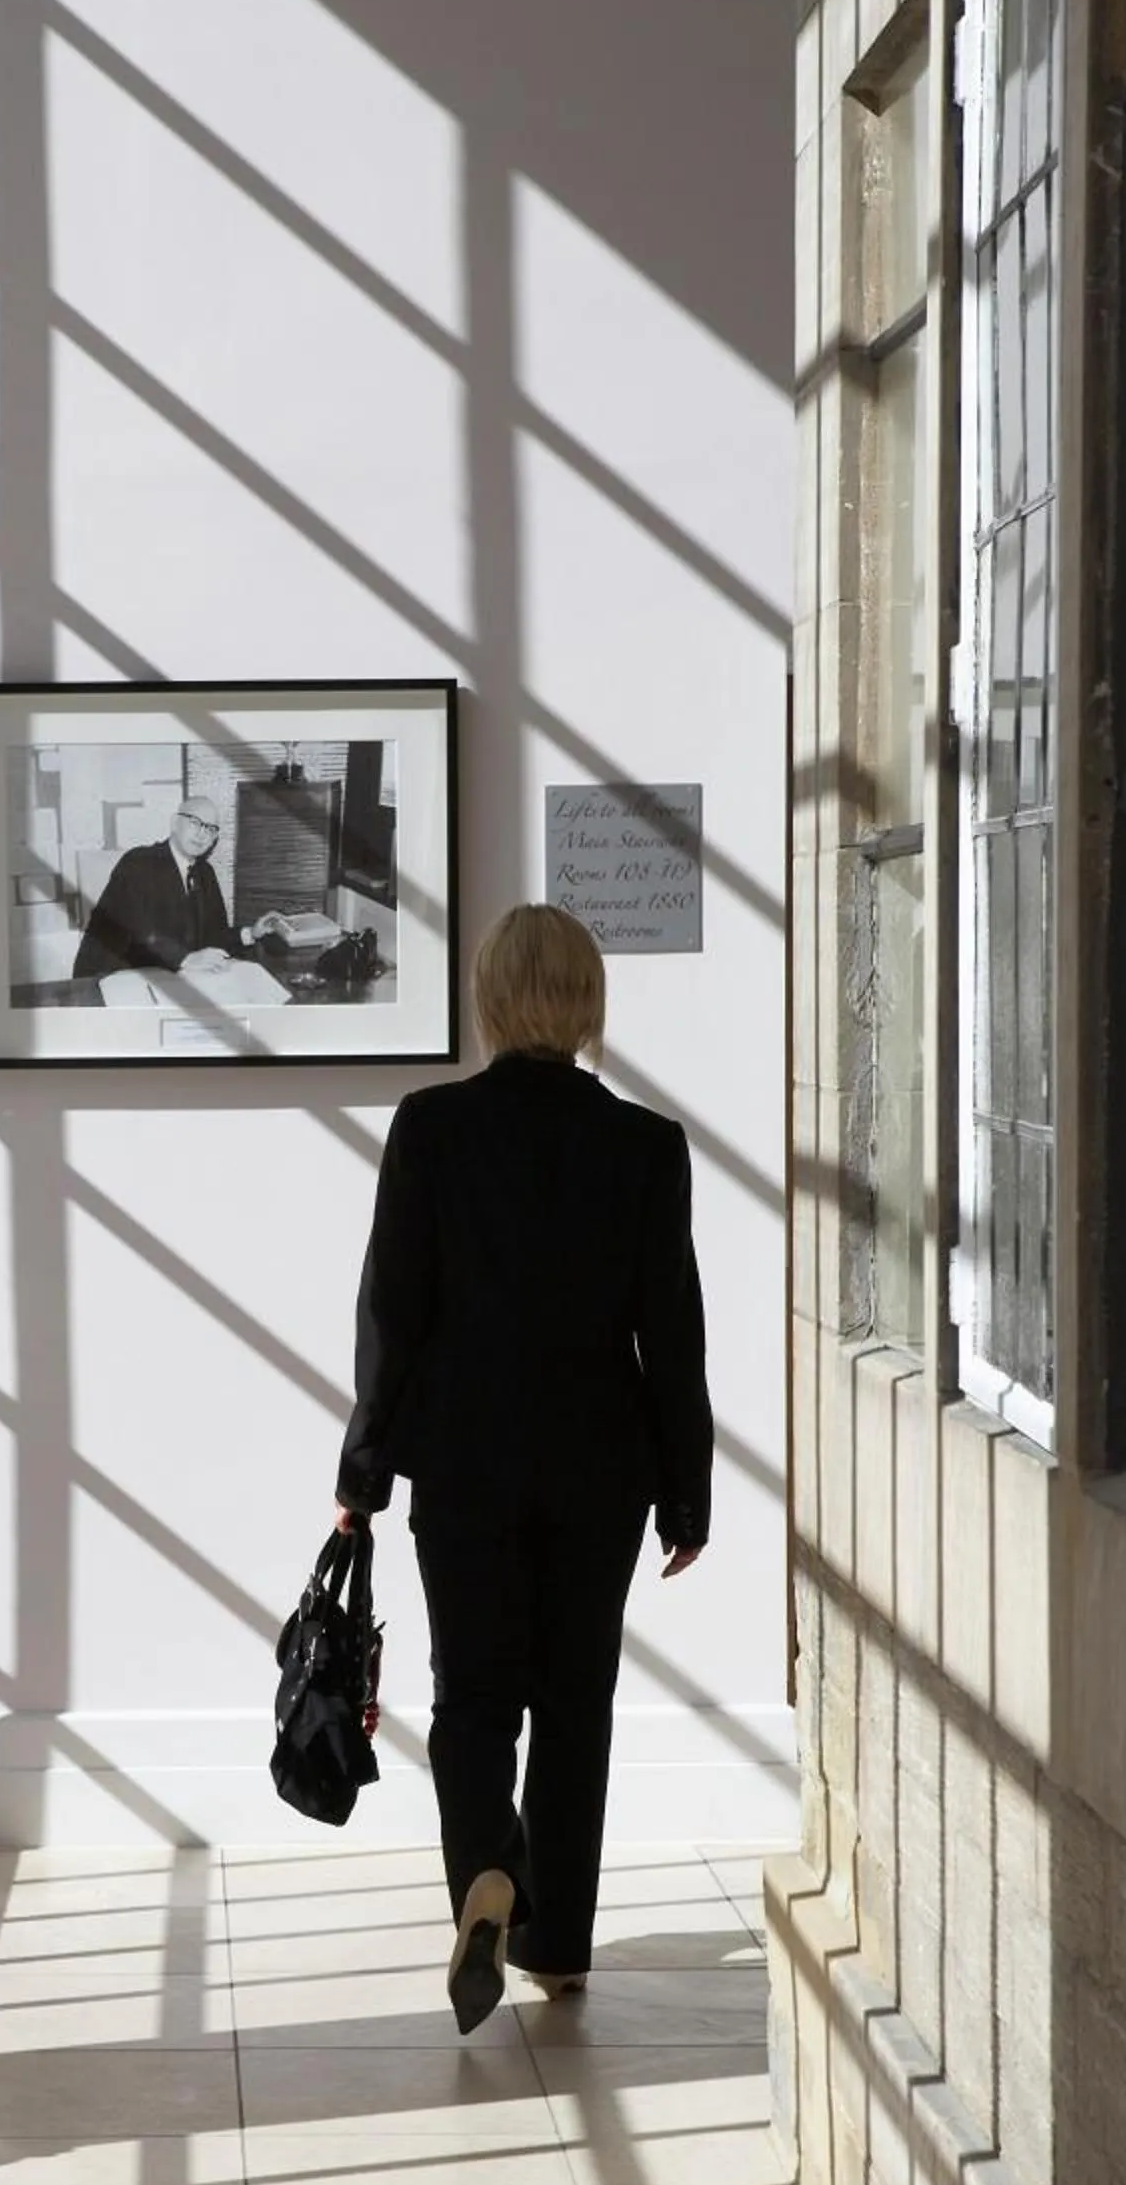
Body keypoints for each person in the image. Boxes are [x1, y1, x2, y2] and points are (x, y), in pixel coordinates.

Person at [334, 903, 712, 2035]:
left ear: (491, 1001)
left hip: (463, 1463)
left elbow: (390, 1317)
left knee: (472, 1698)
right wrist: (686, 1488)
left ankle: (487, 1875)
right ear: (587, 1005)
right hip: (603, 1466)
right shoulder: (646, 1147)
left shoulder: (430, 1129)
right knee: (575, 1702)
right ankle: (558, 1946)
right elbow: (672, 1332)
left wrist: (363, 1473)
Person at [73, 798, 286, 978]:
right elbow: (139, 933)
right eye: (195, 823)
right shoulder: (139, 863)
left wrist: (251, 933)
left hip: (168, 976)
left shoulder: (205, 873)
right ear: (175, 823)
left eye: (211, 829)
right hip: (109, 976)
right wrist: (186, 959)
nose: (203, 834)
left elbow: (214, 935)